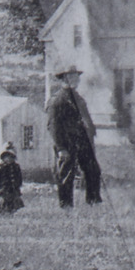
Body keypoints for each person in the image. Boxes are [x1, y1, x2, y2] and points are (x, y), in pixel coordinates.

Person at [46, 65, 102, 207]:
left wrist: (90, 134)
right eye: (72, 76)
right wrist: (61, 148)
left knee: (93, 170)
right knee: (66, 175)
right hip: (67, 143)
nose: (76, 79)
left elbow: (87, 120)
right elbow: (53, 126)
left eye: (77, 76)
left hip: (83, 142)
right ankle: (66, 206)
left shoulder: (78, 98)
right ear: (65, 78)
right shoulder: (57, 100)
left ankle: (93, 202)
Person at [0, 141, 24, 212]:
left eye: (11, 157)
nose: (8, 159)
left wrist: (17, 186)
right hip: (3, 191)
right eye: (6, 156)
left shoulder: (16, 167)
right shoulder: (0, 167)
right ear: (3, 157)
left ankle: (12, 210)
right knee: (3, 203)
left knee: (14, 202)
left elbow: (19, 178)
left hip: (13, 190)